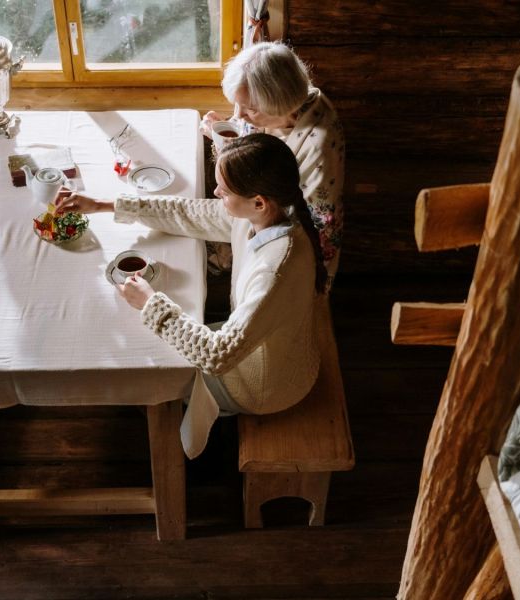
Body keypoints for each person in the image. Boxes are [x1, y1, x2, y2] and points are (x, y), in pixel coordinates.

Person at [55, 134, 325, 457]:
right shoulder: (268, 215)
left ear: (258, 201)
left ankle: (166, 444)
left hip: (266, 384)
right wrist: (104, 205)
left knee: (153, 362)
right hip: (270, 352)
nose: (216, 194)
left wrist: (151, 304)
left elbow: (216, 355)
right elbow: (189, 212)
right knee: (160, 334)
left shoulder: (275, 268)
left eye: (224, 192)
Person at [201, 41, 346, 286]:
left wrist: (225, 151)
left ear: (279, 105)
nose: (238, 115)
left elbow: (316, 227)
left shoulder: (317, 148)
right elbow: (255, 151)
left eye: (250, 109)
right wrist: (224, 134)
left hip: (292, 250)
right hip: (256, 215)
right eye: (238, 105)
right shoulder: (281, 105)